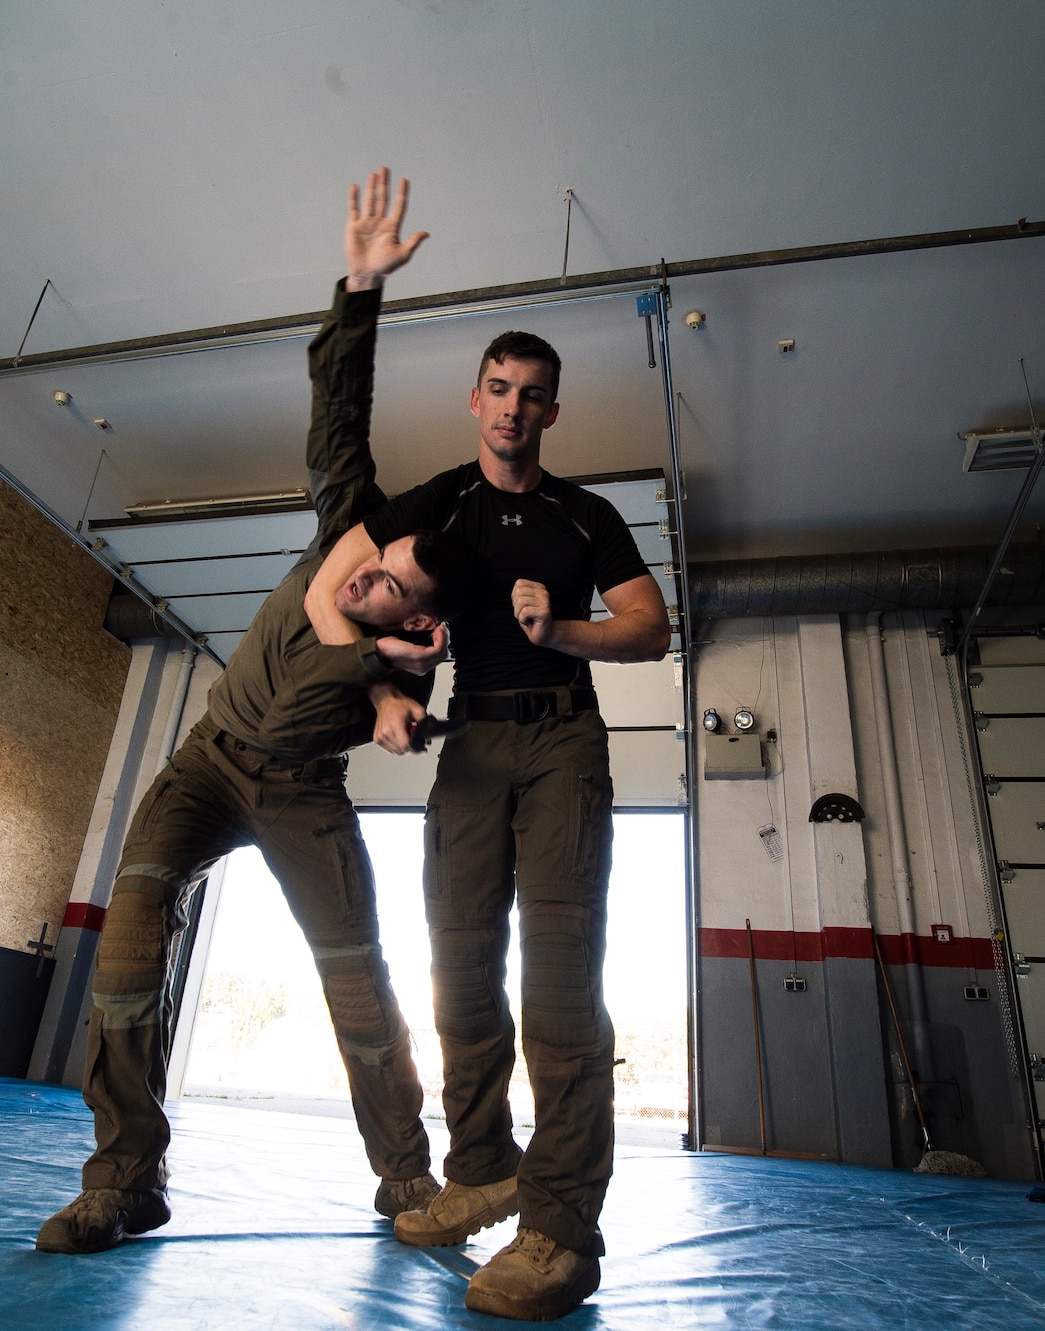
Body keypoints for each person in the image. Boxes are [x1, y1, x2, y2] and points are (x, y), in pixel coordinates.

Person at [38, 168, 471, 1256]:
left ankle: (408, 1178)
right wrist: (361, 290)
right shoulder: (346, 526)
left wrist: (393, 714)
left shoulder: (408, 663)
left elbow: (389, 708)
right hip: (201, 763)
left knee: (357, 977)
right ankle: (125, 1175)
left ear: (422, 625)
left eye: (398, 590)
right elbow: (337, 408)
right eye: (381, 561)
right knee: (128, 943)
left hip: (298, 796)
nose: (370, 575)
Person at [306, 312, 670, 1319]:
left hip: (561, 739)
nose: (513, 408)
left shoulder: (583, 515)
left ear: (552, 408)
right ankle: (480, 1167)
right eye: (497, 388)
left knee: (557, 985)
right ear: (476, 399)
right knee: (458, 967)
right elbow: (330, 585)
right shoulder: (443, 502)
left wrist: (561, 627)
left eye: (531, 393)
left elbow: (650, 627)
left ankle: (558, 1225)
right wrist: (377, 687)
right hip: (469, 743)